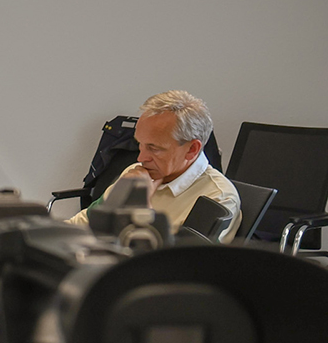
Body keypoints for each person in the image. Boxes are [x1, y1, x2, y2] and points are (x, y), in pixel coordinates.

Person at [68, 91, 241, 241]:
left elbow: (176, 267)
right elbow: (84, 223)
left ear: (192, 149)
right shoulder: (136, 173)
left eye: (154, 148)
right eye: (140, 145)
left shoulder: (218, 197)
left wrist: (141, 208)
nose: (141, 158)